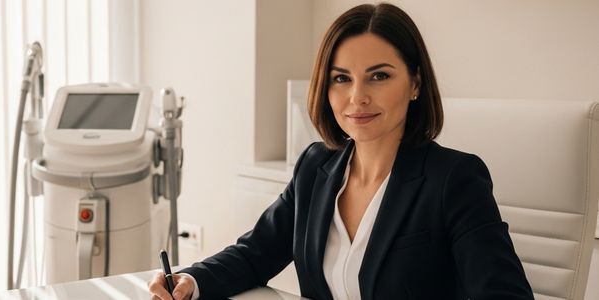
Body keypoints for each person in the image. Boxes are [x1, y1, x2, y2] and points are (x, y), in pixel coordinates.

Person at [148, 2, 533, 300]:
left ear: (415, 84)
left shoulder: (454, 179)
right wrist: (191, 280)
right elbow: (255, 253)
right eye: (341, 79)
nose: (357, 97)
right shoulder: (317, 166)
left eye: (379, 76)